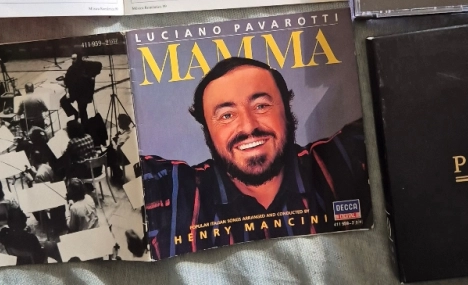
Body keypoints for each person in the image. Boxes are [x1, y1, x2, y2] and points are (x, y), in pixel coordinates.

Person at [142, 57, 371, 259]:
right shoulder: (175, 193)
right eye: (227, 115)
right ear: (208, 132)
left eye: (261, 106)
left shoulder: (339, 163)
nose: (248, 126)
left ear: (287, 112)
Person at [63, 54, 99, 123]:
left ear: (79, 59)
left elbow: (98, 65)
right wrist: (67, 92)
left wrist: (92, 75)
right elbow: (67, 80)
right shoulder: (71, 68)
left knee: (82, 110)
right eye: (72, 59)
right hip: (74, 92)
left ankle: (85, 125)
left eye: (74, 59)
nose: (73, 60)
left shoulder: (86, 65)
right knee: (63, 101)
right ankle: (75, 113)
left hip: (83, 94)